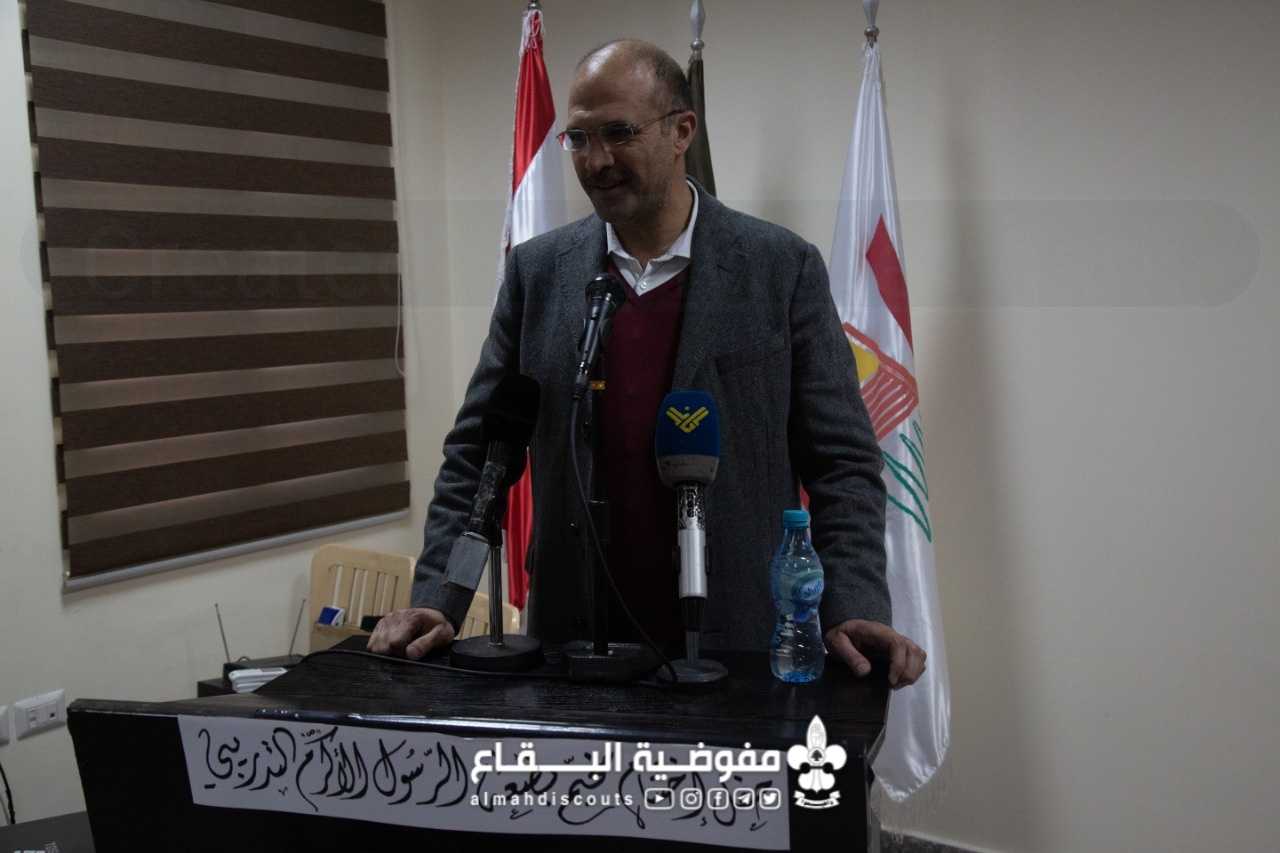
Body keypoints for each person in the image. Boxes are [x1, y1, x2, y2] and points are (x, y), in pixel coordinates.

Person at [369, 39, 926, 688]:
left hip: (735, 648)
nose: (596, 160)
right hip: (571, 646)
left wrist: (853, 603)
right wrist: (439, 596)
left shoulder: (780, 268)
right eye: (579, 138)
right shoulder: (537, 274)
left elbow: (841, 463)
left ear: (682, 131)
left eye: (619, 133)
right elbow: (479, 453)